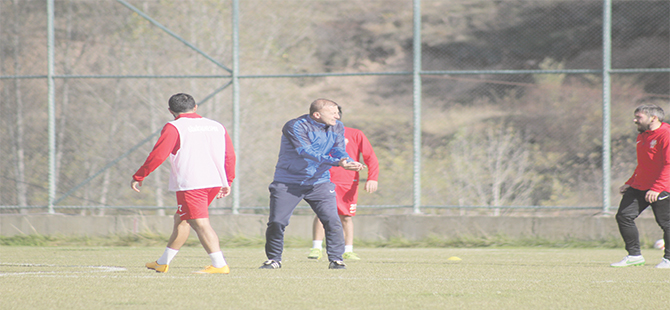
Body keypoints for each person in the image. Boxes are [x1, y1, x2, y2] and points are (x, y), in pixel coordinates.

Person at [131, 93, 236, 274]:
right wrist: (228, 180)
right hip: (214, 182)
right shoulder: (216, 126)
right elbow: (229, 155)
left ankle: (219, 264)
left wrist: (140, 175)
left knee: (199, 223)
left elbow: (159, 154)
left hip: (192, 183)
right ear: (195, 107)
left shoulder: (174, 127)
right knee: (182, 219)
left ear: (171, 111)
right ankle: (162, 262)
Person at [259, 99, 364, 270]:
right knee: (277, 222)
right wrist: (336, 163)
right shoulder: (295, 126)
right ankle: (274, 259)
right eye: (333, 113)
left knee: (332, 220)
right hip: (288, 182)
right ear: (317, 115)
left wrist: (346, 160)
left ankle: (336, 259)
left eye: (338, 113)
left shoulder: (337, 126)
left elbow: (338, 149)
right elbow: (306, 152)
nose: (337, 116)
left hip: (319, 182)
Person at [308, 106, 379, 260]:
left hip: (348, 182)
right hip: (324, 179)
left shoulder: (355, 134)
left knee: (346, 216)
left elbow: (370, 157)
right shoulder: (317, 134)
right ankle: (316, 248)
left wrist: (372, 177)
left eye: (335, 113)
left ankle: (348, 250)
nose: (334, 115)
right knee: (321, 213)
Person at [611, 104, 670, 269]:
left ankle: (669, 259)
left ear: (653, 118)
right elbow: (644, 164)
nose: (634, 120)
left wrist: (657, 188)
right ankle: (634, 256)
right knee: (624, 216)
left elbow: (668, 164)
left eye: (639, 117)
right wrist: (630, 182)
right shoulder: (643, 135)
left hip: (662, 187)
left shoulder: (666, 134)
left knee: (666, 223)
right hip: (640, 186)